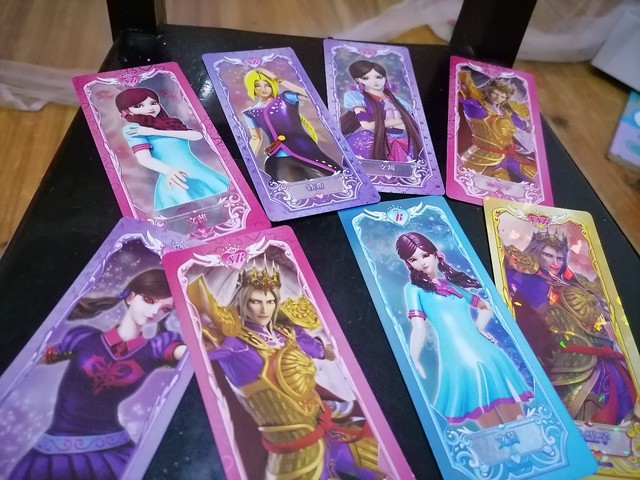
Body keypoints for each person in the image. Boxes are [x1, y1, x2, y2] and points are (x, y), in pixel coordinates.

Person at [188, 262, 385, 479]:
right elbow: (195, 346)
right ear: (243, 302)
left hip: (329, 427)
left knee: (380, 457)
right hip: (295, 454)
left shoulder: (288, 332)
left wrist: (334, 346)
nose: (264, 309)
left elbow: (322, 349)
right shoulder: (234, 345)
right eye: (255, 301)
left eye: (270, 301)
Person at [10, 269, 185, 480]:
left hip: (110, 451)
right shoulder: (84, 338)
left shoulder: (155, 349)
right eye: (149, 300)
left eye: (165, 309)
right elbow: (33, 359)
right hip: (54, 449)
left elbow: (185, 354)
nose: (155, 311)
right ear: (130, 297)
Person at [396, 232, 533, 429]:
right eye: (413, 259)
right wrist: (414, 358)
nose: (422, 262)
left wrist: (480, 328)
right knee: (492, 429)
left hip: (486, 352)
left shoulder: (451, 285)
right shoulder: (413, 290)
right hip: (457, 359)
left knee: (518, 420)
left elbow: (485, 306)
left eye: (425, 255)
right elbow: (418, 328)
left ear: (435, 253)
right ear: (408, 264)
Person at [505, 230, 636, 424]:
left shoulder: (573, 282)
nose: (555, 262)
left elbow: (605, 313)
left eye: (559, 257)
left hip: (604, 354)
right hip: (565, 356)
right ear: (536, 253)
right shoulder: (527, 279)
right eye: (548, 255)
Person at [116, 87, 229, 211]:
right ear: (126, 111)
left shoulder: (170, 123)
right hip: (174, 177)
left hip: (202, 173)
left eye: (153, 103)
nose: (150, 108)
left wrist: (154, 132)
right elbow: (144, 159)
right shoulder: (133, 128)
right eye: (138, 106)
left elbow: (196, 136)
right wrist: (169, 171)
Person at [242, 68, 343, 183]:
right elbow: (256, 138)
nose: (263, 89)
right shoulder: (250, 113)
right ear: (252, 88)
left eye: (267, 85)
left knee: (332, 181)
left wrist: (277, 78)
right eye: (257, 86)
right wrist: (248, 162)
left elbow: (310, 95)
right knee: (291, 188)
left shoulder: (286, 97)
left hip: (306, 150)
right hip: (279, 158)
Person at [457, 71, 537, 183]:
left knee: (534, 175)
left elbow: (523, 125)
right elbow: (462, 92)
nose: (498, 98)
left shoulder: (504, 112)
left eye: (502, 96)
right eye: (495, 93)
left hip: (508, 155)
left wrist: (527, 125)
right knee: (500, 184)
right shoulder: (476, 106)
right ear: (488, 91)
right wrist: (464, 86)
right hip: (485, 156)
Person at [340, 60, 423, 163]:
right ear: (358, 79)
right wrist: (401, 121)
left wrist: (401, 124)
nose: (375, 81)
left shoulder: (399, 102)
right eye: (366, 78)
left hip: (402, 142)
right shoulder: (358, 98)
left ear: (384, 78)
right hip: (373, 140)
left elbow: (410, 126)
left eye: (379, 77)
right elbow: (367, 125)